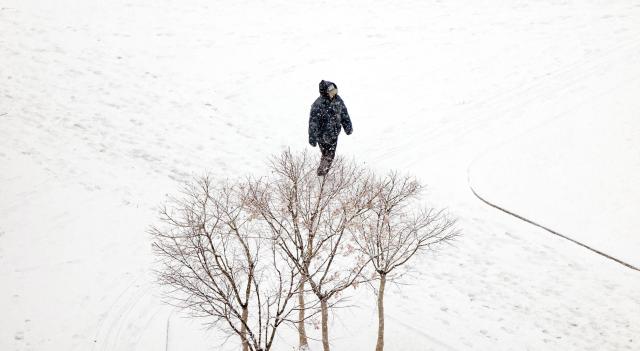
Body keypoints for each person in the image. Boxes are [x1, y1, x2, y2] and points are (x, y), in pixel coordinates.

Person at [308, 80, 353, 176]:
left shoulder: (338, 100)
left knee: (329, 155)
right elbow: (313, 123)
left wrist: (348, 126)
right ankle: (321, 174)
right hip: (322, 136)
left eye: (335, 91)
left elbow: (344, 113)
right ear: (325, 93)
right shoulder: (318, 105)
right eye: (331, 92)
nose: (334, 94)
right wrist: (312, 138)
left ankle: (322, 172)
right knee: (328, 155)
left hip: (334, 133)